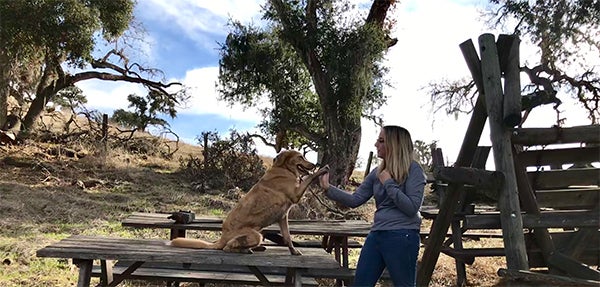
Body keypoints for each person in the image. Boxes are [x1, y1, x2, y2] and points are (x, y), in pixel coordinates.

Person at [318, 125, 426, 287]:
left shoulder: (413, 170)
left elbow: (411, 208)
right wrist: (328, 189)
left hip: (402, 236)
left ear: (394, 145)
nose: (376, 144)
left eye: (381, 141)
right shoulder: (378, 172)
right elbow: (355, 199)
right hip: (377, 235)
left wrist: (389, 183)